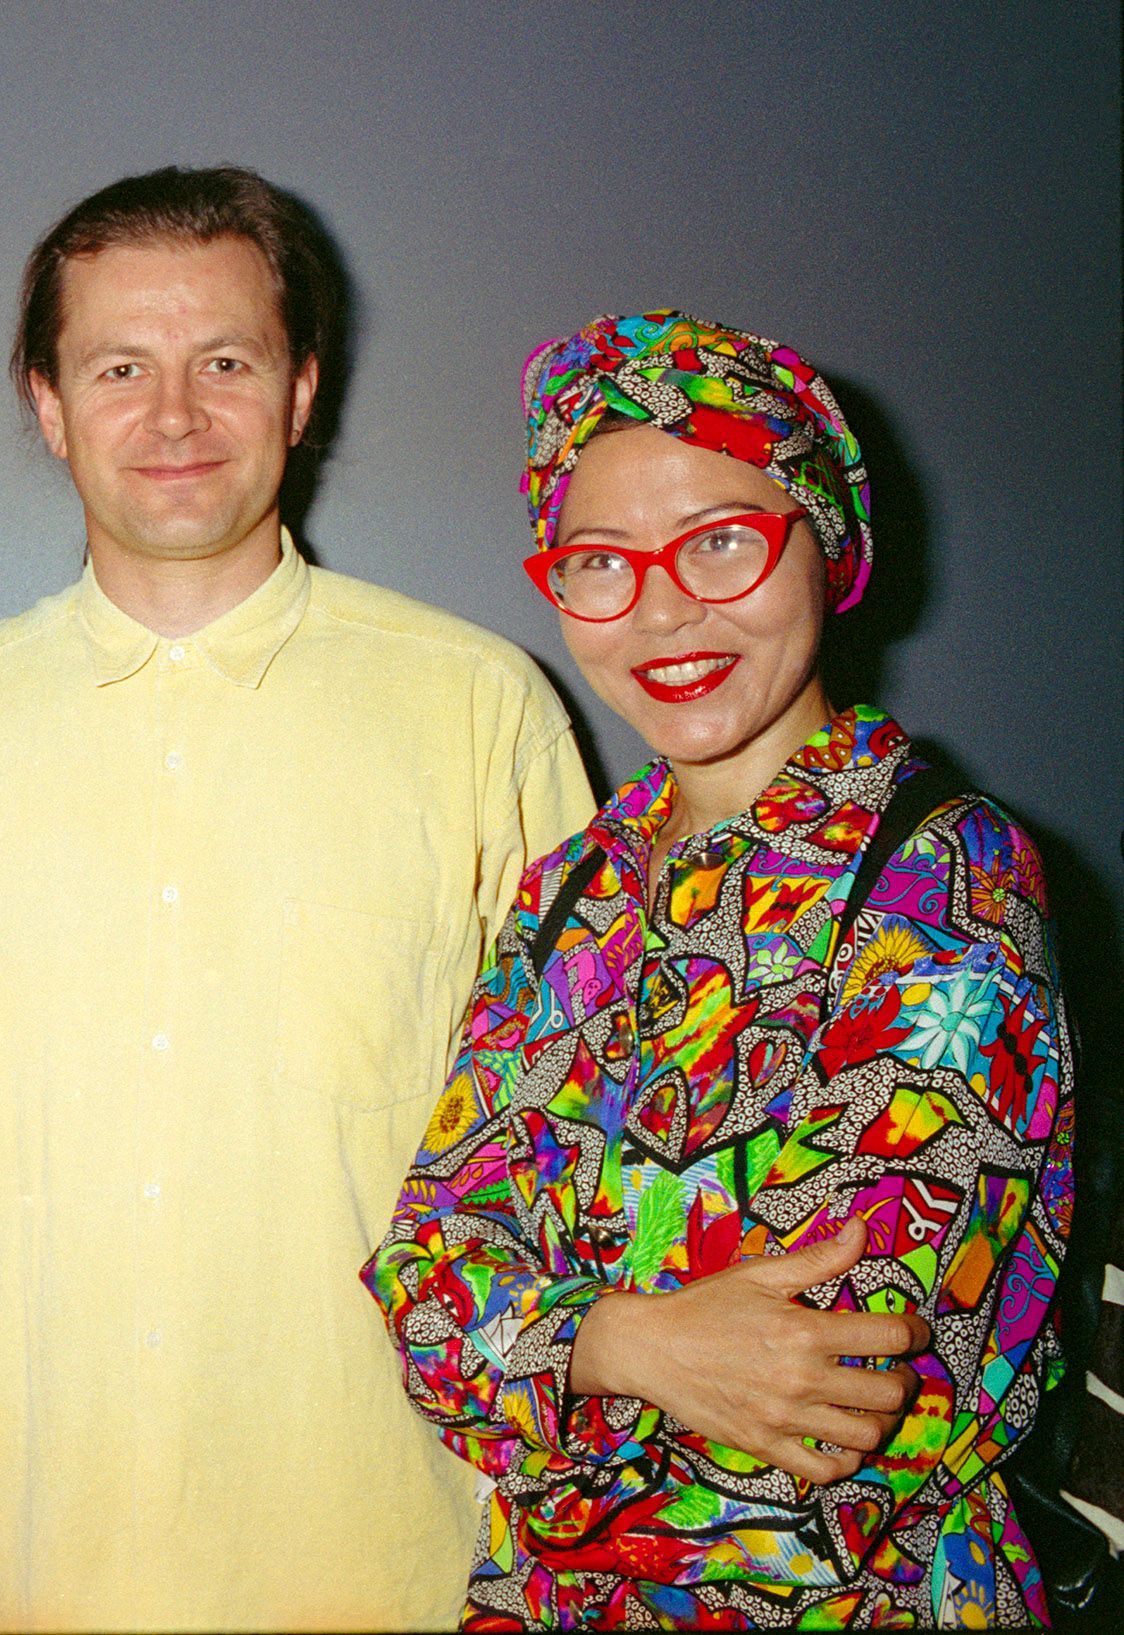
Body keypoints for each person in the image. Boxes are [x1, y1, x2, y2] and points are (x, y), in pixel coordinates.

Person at [0, 167, 595, 1629]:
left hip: (392, 1571)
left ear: (299, 392)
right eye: (119, 368)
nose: (174, 415)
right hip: (22, 1573)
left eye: (223, 362)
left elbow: (592, 1138)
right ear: (47, 404)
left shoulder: (481, 708)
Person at [365, 311, 1078, 1627]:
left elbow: (834, 1415)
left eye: (725, 540)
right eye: (600, 562)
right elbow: (419, 1285)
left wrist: (539, 1342)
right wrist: (624, 1341)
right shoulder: (569, 891)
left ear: (827, 544)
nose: (664, 608)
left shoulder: (946, 885)